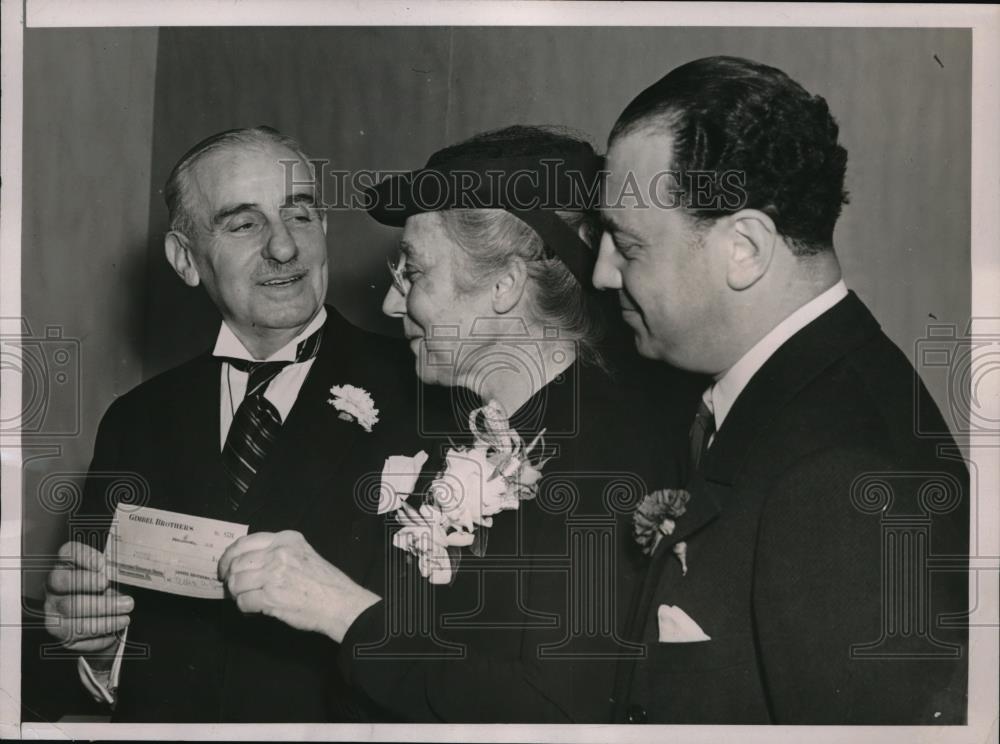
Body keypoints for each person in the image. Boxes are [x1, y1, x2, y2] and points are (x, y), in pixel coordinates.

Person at [218, 125, 700, 722]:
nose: (393, 305)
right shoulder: (462, 433)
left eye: (414, 273)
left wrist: (342, 610)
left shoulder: (614, 455)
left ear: (504, 286)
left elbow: (554, 710)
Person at [593, 56, 969, 724]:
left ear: (745, 248)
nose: (602, 274)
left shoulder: (839, 475)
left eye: (627, 245)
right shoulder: (789, 397)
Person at [42, 126, 416, 722]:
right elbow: (117, 629)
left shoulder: (422, 395)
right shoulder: (134, 422)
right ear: (185, 260)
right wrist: (102, 645)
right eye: (244, 224)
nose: (285, 248)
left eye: (299, 215)